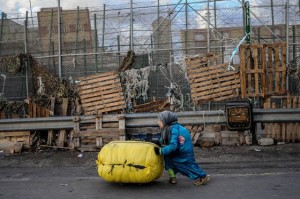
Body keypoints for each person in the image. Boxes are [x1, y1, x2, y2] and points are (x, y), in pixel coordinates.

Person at [154, 110, 210, 185]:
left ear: (166, 120)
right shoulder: (169, 127)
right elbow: (167, 139)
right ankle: (173, 177)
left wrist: (160, 151)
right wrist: (159, 142)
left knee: (187, 166)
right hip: (179, 150)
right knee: (168, 159)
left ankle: (203, 177)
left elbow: (173, 146)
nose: (158, 122)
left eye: (160, 120)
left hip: (183, 153)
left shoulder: (174, 129)